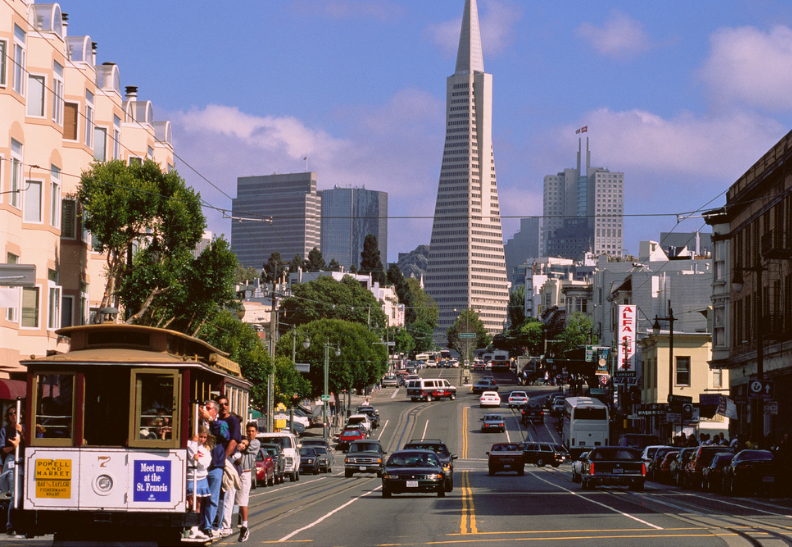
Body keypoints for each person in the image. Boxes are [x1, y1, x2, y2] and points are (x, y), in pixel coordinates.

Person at [198, 399, 229, 538]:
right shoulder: (198, 424)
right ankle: (198, 524)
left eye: (208, 408)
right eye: (204, 407)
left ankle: (208, 526)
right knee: (198, 497)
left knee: (212, 498)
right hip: (199, 465)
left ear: (215, 411)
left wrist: (210, 420)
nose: (205, 409)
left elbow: (224, 435)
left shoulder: (221, 424)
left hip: (215, 466)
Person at [215, 396, 242, 539]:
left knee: (228, 492)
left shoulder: (233, 421)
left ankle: (226, 525)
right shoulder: (215, 420)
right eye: (220, 405)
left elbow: (234, 441)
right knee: (218, 494)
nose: (223, 407)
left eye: (226, 404)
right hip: (216, 459)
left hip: (226, 460)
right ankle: (218, 524)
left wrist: (224, 457)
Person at [0, 406, 24, 537]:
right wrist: (13, 446)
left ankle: (22, 523)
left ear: (21, 415)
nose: (13, 415)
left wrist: (22, 433)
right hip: (12, 462)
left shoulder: (25, 427)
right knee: (16, 495)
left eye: (15, 413)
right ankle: (11, 525)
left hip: (26, 461)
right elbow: (2, 449)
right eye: (10, 414)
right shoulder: (5, 429)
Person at [185, 427, 211, 541]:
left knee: (198, 504)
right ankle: (190, 526)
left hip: (201, 477)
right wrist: (193, 442)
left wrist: (199, 460)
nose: (202, 439)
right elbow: (191, 454)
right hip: (191, 477)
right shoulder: (189, 444)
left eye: (205, 437)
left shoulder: (205, 450)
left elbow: (205, 463)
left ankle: (195, 527)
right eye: (201, 437)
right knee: (191, 503)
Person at [235, 423, 260, 543]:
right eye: (248, 431)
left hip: (245, 473)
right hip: (236, 472)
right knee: (231, 499)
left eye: (253, 431)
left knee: (242, 501)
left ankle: (245, 526)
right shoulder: (243, 439)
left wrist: (242, 443)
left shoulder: (256, 443)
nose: (250, 433)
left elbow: (245, 446)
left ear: (256, 432)